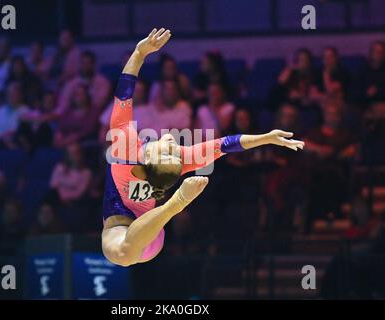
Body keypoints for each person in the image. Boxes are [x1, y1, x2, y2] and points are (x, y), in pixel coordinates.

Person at [101, 28, 305, 267]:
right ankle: (174, 205)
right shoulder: (179, 160)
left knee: (122, 253)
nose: (173, 145)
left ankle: (174, 205)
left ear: (149, 160)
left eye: (169, 150)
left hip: (136, 229)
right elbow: (226, 145)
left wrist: (138, 54)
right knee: (124, 253)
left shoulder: (127, 150)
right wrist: (266, 137)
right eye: (175, 152)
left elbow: (123, 97)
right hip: (146, 236)